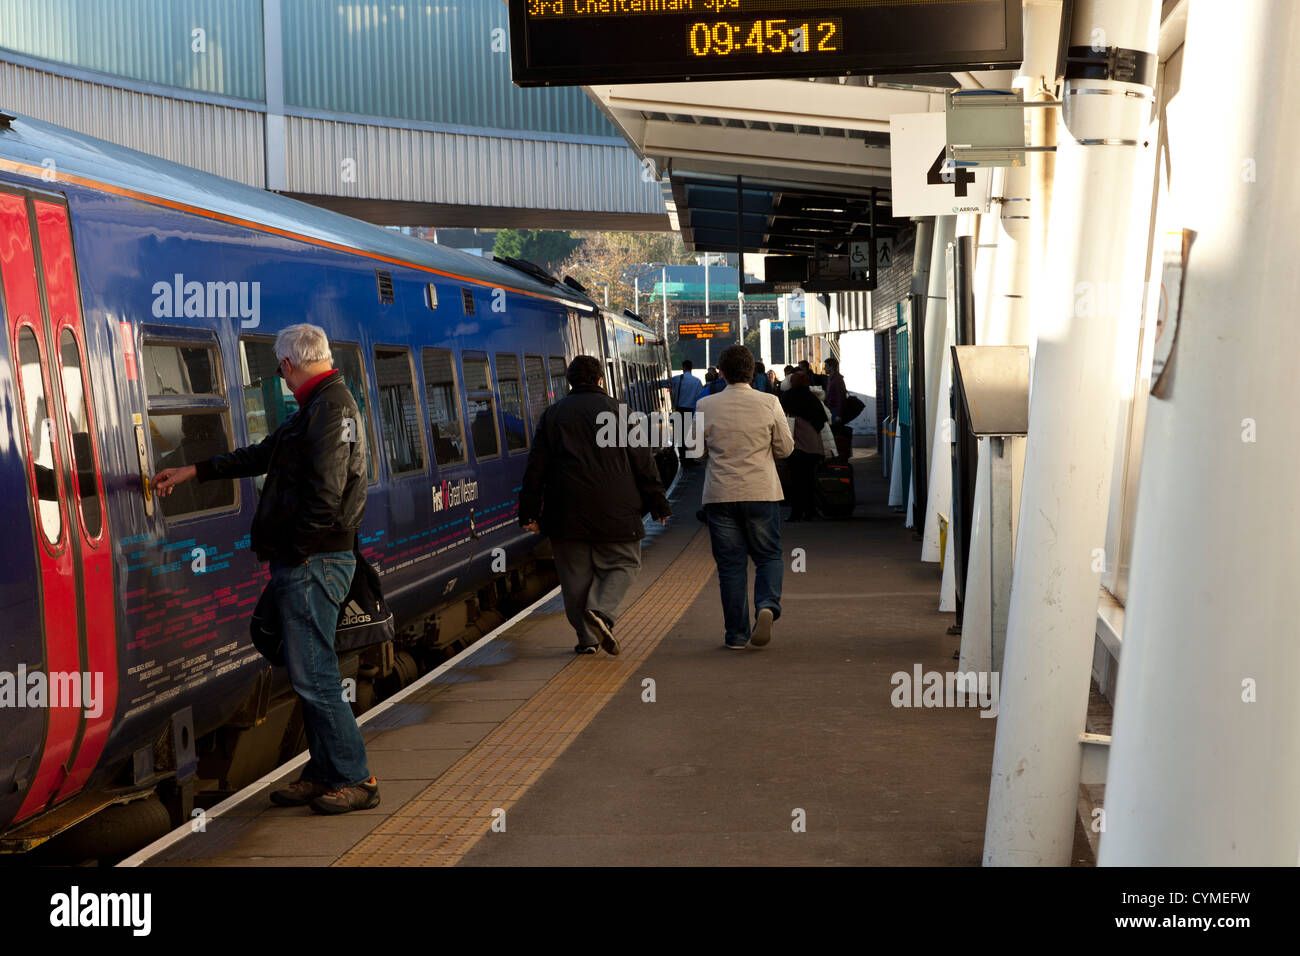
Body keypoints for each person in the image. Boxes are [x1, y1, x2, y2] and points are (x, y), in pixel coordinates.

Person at [152, 324, 378, 815]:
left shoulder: (331, 408)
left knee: (315, 675)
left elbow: (326, 492)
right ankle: (323, 772)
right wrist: (196, 470)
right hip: (310, 558)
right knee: (307, 672)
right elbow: (263, 454)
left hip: (315, 560)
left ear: (287, 367)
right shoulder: (320, 406)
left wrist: (296, 552)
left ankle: (357, 778)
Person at [519, 356, 671, 655]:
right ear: (601, 380)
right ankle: (600, 612)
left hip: (565, 513)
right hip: (617, 510)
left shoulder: (553, 415)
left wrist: (528, 512)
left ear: (570, 382)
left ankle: (587, 640)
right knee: (624, 563)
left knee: (575, 578)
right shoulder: (620, 412)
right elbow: (643, 463)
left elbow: (535, 469)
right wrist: (659, 503)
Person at [696, 345, 794, 650]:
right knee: (768, 556)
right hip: (761, 492)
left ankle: (736, 636)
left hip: (720, 494)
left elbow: (695, 451)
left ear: (721, 372)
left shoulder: (704, 405)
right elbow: (785, 449)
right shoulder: (770, 402)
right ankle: (766, 605)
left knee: (730, 566)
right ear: (752, 371)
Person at [780, 370, 829, 521]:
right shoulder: (812, 397)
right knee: (809, 479)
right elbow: (823, 418)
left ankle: (796, 513)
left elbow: (781, 416)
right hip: (812, 442)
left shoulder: (787, 396)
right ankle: (810, 511)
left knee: (796, 480)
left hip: (795, 441)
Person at [666, 360, 703, 464]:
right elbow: (700, 397)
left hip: (679, 410)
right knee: (689, 435)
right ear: (691, 368)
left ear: (683, 367)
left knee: (680, 436)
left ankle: (682, 457)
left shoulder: (677, 379)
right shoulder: (697, 381)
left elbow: (664, 383)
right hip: (690, 410)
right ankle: (689, 458)